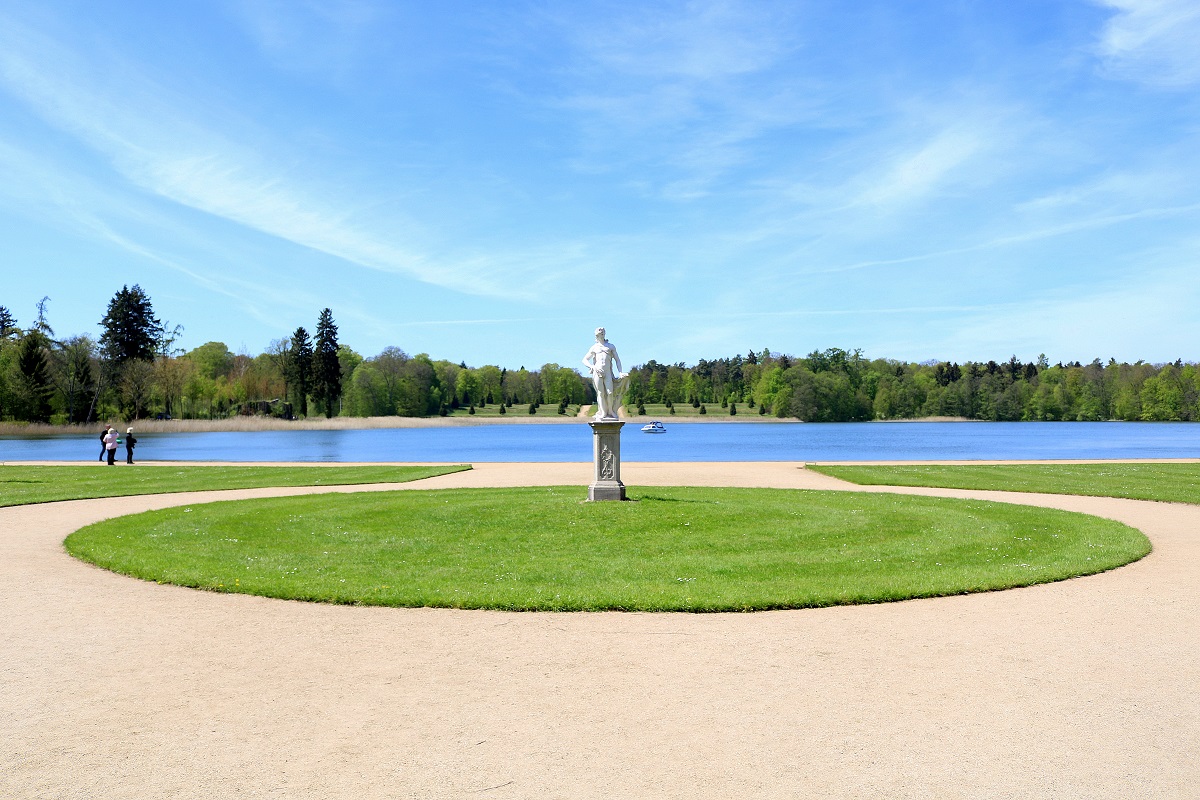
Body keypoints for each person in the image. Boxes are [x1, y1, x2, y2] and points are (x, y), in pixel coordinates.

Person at [582, 326, 630, 421]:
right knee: (600, 393)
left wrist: (620, 372)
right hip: (597, 372)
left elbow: (617, 360)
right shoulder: (594, 347)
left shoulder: (610, 346)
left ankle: (611, 411)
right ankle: (603, 412)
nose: (602, 334)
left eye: (603, 333)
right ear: (597, 335)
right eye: (600, 333)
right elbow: (584, 359)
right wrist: (592, 367)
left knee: (610, 392)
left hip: (608, 372)